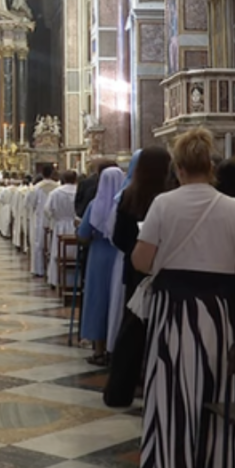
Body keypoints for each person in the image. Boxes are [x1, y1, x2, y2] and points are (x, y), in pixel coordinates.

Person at [130, 127, 235, 468]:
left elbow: (141, 261)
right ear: (210, 165)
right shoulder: (232, 206)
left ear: (178, 167)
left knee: (173, 392)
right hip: (218, 313)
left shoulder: (163, 204)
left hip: (174, 310)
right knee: (218, 391)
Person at [103, 145, 173, 408]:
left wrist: (138, 253)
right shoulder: (170, 196)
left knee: (131, 329)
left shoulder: (129, 196)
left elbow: (119, 236)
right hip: (167, 269)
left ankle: (119, 390)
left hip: (136, 270)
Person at [77, 167, 126, 365]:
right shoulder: (124, 204)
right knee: (116, 300)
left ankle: (98, 350)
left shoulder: (94, 205)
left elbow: (83, 234)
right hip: (118, 256)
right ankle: (115, 347)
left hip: (98, 256)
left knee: (97, 299)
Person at [44, 170, 78, 288]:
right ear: (75, 179)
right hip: (76, 224)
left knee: (58, 252)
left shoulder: (55, 193)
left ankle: (55, 280)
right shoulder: (79, 191)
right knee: (75, 254)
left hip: (60, 226)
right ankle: (74, 281)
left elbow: (47, 210)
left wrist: (55, 218)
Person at [28, 165, 60, 277]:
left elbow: (31, 203)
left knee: (38, 243)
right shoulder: (58, 187)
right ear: (52, 173)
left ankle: (39, 269)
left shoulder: (36, 187)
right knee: (54, 243)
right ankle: (53, 272)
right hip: (55, 219)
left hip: (40, 218)